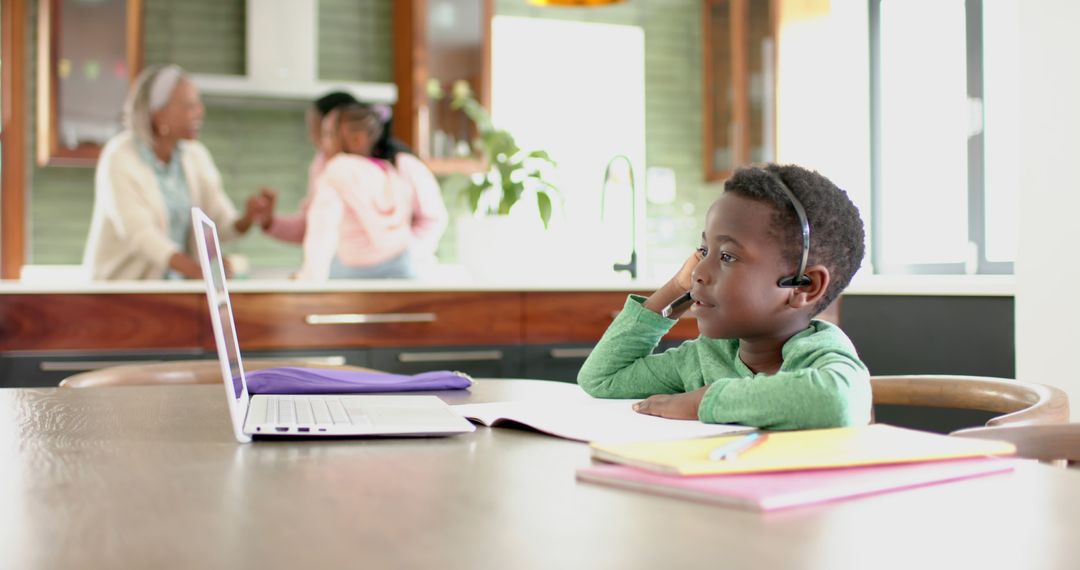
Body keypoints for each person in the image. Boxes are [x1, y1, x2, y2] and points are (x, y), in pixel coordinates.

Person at [577, 163, 871, 430]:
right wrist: (676, 287)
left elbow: (838, 400)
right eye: (704, 252)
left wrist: (704, 402)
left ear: (804, 286)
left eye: (727, 256)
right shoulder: (703, 358)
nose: (699, 272)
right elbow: (601, 379)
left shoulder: (818, 353)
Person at [83, 64, 269, 280]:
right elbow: (140, 235)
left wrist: (247, 218)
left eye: (198, 104)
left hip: (175, 289)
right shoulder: (119, 157)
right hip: (123, 292)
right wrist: (197, 270)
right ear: (158, 114)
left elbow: (220, 224)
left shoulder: (195, 156)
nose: (200, 112)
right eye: (189, 106)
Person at [292, 102, 448, 279]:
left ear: (358, 139)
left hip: (353, 273)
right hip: (401, 266)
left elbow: (322, 227)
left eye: (328, 134)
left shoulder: (337, 170)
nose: (322, 142)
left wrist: (310, 276)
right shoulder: (390, 171)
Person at [259, 91, 358, 244]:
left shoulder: (368, 172)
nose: (311, 138)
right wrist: (270, 221)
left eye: (316, 129)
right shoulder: (321, 163)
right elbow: (309, 226)